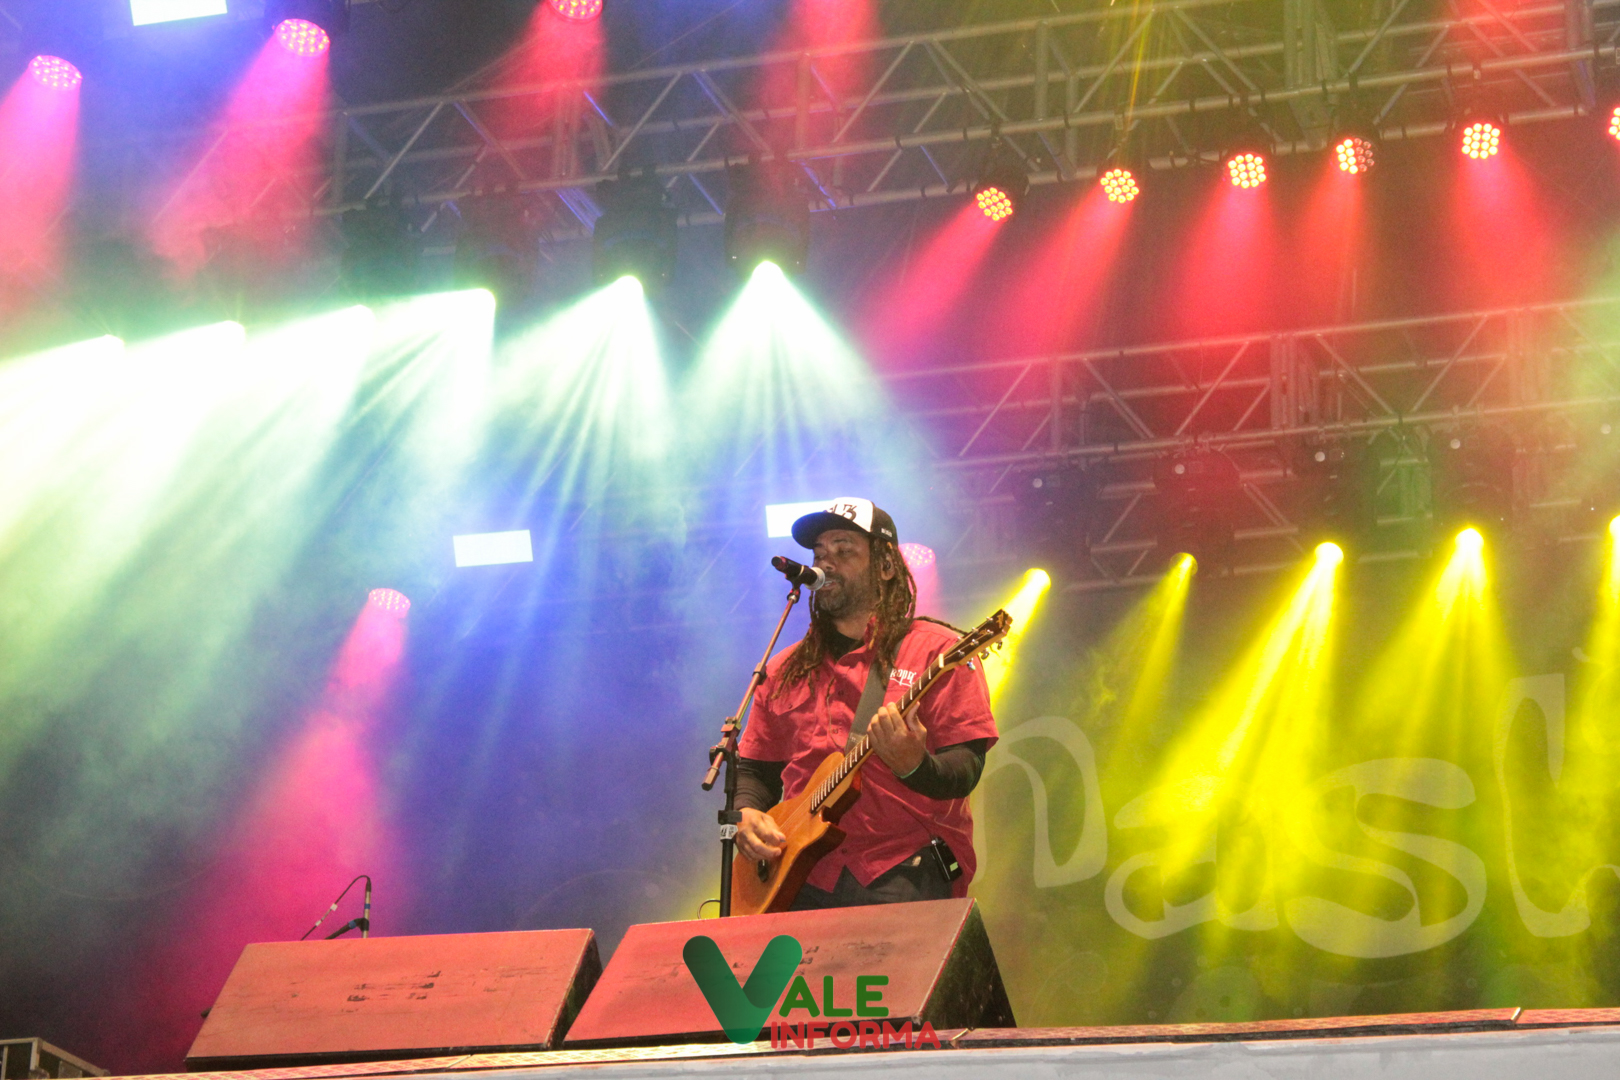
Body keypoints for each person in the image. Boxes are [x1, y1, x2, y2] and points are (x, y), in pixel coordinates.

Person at [734, 497, 998, 908]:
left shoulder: (936, 652)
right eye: (819, 553)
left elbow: (966, 766)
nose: (826, 563)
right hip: (798, 870)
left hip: (900, 866)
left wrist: (915, 765)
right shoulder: (784, 668)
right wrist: (747, 813)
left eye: (844, 550)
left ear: (886, 566)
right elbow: (755, 769)